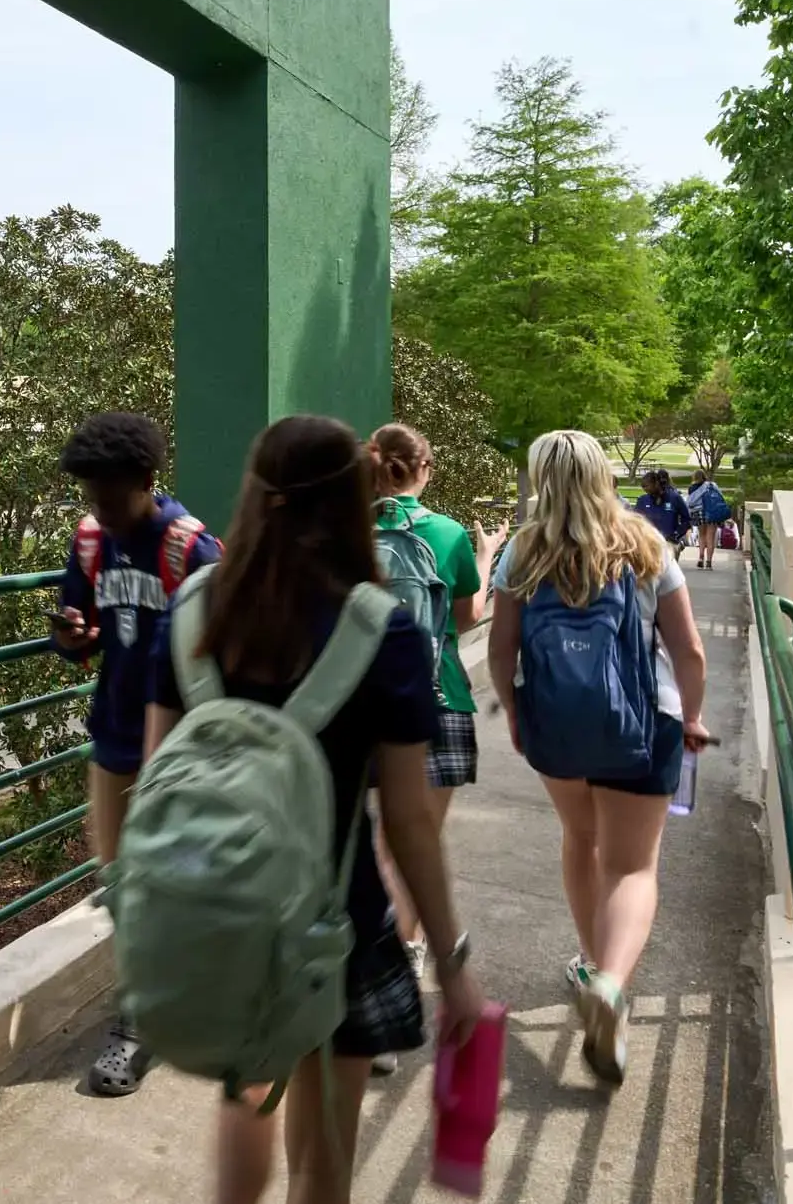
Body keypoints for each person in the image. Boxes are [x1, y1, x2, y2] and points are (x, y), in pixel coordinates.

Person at [143, 415, 485, 1204]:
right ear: (354, 495)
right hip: (337, 921)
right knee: (323, 1160)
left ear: (255, 492)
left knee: (244, 1096)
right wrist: (451, 960)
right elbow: (409, 822)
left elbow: (159, 770)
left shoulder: (194, 609)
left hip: (221, 909)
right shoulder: (382, 631)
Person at [487, 431, 710, 1086]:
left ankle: (591, 961)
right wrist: (692, 717)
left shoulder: (523, 552)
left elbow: (501, 650)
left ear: (542, 480)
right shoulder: (645, 544)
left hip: (556, 725)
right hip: (644, 723)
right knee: (631, 865)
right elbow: (689, 650)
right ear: (603, 477)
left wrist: (516, 712)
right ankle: (610, 983)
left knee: (580, 839)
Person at [50, 411, 222, 1096]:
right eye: (92, 498)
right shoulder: (93, 540)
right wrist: (71, 635)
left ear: (148, 481)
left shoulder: (193, 550)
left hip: (180, 752)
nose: (101, 511)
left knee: (169, 883)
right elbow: (81, 632)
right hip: (114, 736)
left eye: (112, 498)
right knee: (121, 883)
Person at [363, 423, 486, 1076]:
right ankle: (397, 974)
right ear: (426, 468)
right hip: (438, 702)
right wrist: (486, 559)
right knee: (411, 845)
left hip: (358, 707)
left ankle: (371, 980)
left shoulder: (351, 529)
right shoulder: (449, 533)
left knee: (368, 851)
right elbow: (466, 618)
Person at [629, 468, 694, 564]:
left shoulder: (675, 498)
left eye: (646, 486)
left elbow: (687, 520)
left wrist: (676, 535)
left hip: (669, 542)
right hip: (648, 542)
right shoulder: (642, 500)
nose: (645, 489)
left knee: (667, 564)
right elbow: (635, 521)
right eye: (643, 487)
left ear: (656, 483)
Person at [686, 471, 734, 571]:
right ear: (704, 476)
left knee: (701, 535)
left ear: (694, 477)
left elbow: (690, 502)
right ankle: (709, 563)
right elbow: (721, 498)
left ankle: (701, 558)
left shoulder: (692, 488)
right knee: (710, 538)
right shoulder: (712, 485)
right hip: (712, 512)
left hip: (699, 513)